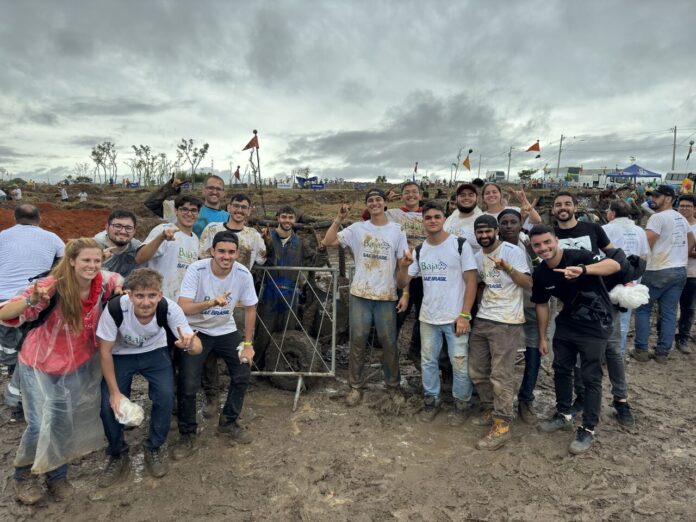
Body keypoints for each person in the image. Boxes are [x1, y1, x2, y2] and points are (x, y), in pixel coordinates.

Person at [0, 238, 123, 505]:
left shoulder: (102, 282)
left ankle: (57, 476)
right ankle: (24, 476)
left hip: (76, 362)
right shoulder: (50, 287)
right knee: (40, 423)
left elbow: (116, 277)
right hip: (40, 363)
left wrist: (122, 286)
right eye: (85, 261)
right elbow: (6, 313)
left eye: (96, 261)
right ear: (71, 261)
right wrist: (31, 299)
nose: (92, 266)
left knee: (64, 421)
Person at [97, 268, 201, 486]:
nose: (146, 302)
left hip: (154, 353)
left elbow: (196, 347)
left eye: (152, 295)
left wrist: (190, 344)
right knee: (109, 405)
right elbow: (104, 351)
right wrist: (116, 394)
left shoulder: (169, 308)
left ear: (160, 295)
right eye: (140, 296)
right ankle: (117, 453)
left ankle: (153, 447)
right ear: (129, 294)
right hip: (120, 354)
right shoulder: (115, 309)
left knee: (164, 398)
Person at [530, 225, 620, 454]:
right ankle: (563, 413)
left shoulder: (579, 256)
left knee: (590, 377)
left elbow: (614, 265)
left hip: (596, 322)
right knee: (560, 368)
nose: (543, 248)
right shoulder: (540, 273)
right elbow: (541, 304)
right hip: (568, 321)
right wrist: (542, 337)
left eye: (547, 242)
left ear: (557, 240)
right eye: (537, 245)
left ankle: (588, 428)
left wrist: (583, 270)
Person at [172, 231, 258, 459]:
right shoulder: (197, 270)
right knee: (188, 384)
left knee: (242, 372)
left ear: (237, 254)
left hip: (225, 329)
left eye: (231, 252)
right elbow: (184, 307)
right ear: (212, 251)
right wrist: (212, 302)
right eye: (221, 251)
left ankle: (228, 422)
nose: (226, 256)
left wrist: (248, 344)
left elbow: (251, 308)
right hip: (195, 330)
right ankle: (187, 434)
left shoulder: (243, 273)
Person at [322, 188, 408, 407]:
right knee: (358, 341)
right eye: (370, 200)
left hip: (387, 295)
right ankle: (355, 386)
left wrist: (405, 293)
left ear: (385, 203)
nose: (375, 203)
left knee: (389, 343)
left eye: (379, 199)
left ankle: (393, 386)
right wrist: (340, 217)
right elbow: (328, 241)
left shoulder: (397, 231)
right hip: (360, 293)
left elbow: (402, 264)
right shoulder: (357, 229)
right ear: (367, 205)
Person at [396, 202, 477, 426]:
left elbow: (471, 282)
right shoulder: (420, 250)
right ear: (423, 222)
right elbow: (403, 282)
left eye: (436, 216)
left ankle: (462, 404)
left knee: (459, 363)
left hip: (455, 318)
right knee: (428, 361)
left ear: (444, 219)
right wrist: (403, 267)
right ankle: (432, 400)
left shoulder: (460, 245)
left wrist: (465, 315)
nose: (432, 220)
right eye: (428, 217)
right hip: (428, 317)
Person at [198, 193, 267, 415]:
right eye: (235, 206)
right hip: (210, 303)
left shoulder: (253, 236)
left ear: (249, 210)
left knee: (240, 354)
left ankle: (233, 402)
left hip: (239, 305)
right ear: (228, 207)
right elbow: (200, 260)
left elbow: (263, 260)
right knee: (208, 356)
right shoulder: (212, 230)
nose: (239, 210)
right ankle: (211, 396)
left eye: (244, 207)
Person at [469, 215, 532, 450]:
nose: (484, 236)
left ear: (496, 230)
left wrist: (508, 268)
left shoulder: (512, 251)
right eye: (479, 232)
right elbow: (480, 286)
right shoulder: (477, 257)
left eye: (488, 231)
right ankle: (490, 409)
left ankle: (502, 425)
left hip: (507, 321)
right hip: (483, 319)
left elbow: (528, 283)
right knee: (477, 371)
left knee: (501, 375)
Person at [0, 205, 65, 419]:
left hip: (5, 301)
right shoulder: (53, 238)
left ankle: (15, 391)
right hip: (35, 301)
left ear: (15, 218)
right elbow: (64, 263)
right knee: (27, 350)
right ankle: (19, 397)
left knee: (10, 350)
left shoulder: (3, 236)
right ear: (39, 218)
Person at [553, 191, 614, 414]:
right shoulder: (552, 234)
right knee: (564, 361)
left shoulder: (593, 229)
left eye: (567, 203)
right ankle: (568, 406)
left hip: (595, 302)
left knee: (592, 362)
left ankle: (596, 406)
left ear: (575, 207)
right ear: (553, 210)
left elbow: (614, 257)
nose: (563, 207)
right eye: (558, 204)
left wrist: (622, 280)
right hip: (565, 305)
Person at [254, 205, 324, 368]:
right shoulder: (265, 237)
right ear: (278, 218)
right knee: (263, 331)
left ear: (294, 220)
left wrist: (322, 251)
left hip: (291, 293)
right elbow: (259, 261)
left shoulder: (300, 242)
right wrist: (267, 245)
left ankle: (277, 367)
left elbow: (314, 262)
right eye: (284, 217)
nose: (287, 220)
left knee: (287, 331)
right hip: (268, 292)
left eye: (290, 217)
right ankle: (256, 367)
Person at [632, 185, 695, 363]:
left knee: (643, 309)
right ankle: (662, 353)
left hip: (657, 270)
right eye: (653, 196)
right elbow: (692, 239)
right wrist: (682, 255)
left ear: (668, 198)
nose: (653, 199)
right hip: (679, 270)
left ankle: (641, 350)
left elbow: (647, 243)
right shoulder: (680, 218)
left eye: (657, 197)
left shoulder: (657, 218)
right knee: (668, 312)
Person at [497, 209, 541, 424]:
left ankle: (526, 399)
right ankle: (499, 401)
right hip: (504, 310)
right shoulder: (494, 248)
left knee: (533, 353)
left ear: (520, 223)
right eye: (503, 222)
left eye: (513, 221)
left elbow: (542, 268)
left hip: (530, 306)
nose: (508, 226)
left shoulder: (530, 245)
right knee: (503, 358)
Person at [386, 182, 426, 369]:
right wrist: (385, 200)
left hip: (426, 275)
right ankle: (389, 351)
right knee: (399, 313)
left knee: (422, 316)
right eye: (406, 192)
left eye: (414, 192)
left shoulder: (429, 214)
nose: (411, 195)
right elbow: (368, 216)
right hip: (402, 273)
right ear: (401, 196)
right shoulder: (393, 213)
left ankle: (415, 350)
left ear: (420, 195)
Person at [602, 200, 649, 355]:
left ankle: (601, 353)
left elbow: (598, 256)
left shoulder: (605, 229)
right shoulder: (639, 231)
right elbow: (643, 256)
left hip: (608, 278)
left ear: (613, 213)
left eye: (608, 210)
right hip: (632, 277)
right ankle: (618, 354)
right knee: (623, 318)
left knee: (603, 315)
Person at [139, 194, 202, 301]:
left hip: (180, 302)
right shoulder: (163, 230)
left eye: (193, 210)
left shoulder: (195, 239)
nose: (189, 214)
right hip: (158, 299)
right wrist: (160, 238)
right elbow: (139, 257)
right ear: (176, 211)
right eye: (184, 209)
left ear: (198, 214)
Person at [145, 175, 229, 237]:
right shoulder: (186, 210)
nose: (214, 191)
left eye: (218, 189)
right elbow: (152, 203)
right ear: (203, 190)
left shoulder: (229, 218)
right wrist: (170, 188)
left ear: (224, 193)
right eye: (210, 188)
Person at [94, 210, 144, 278]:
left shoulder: (138, 249)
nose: (123, 231)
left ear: (134, 230)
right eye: (117, 226)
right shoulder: (93, 246)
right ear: (107, 227)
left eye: (128, 228)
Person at [676, 195, 696, 353]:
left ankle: (683, 338)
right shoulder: (674, 225)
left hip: (691, 273)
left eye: (688, 206)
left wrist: (684, 251)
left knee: (688, 308)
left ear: (694, 209)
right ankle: (665, 338)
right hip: (672, 271)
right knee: (667, 308)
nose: (683, 209)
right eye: (681, 205)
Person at [444, 183, 483, 251]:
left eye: (471, 195)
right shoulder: (454, 214)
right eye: (462, 195)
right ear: (457, 198)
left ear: (477, 198)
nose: (466, 198)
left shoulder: (481, 221)